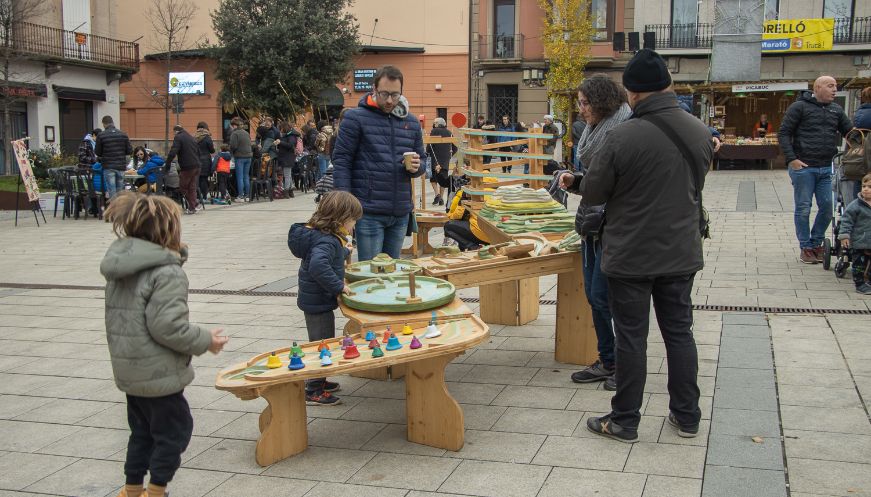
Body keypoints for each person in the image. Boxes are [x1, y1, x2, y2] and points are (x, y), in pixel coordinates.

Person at [563, 49, 713, 443]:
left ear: (632, 93)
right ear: (668, 86)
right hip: (681, 250)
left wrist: (578, 182)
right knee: (680, 332)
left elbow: (595, 191)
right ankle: (687, 415)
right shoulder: (699, 131)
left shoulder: (621, 135)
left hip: (631, 254)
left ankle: (625, 420)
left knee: (631, 336)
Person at [100, 192, 228, 497]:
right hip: (158, 375)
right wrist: (206, 340)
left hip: (131, 372)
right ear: (168, 231)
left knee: (141, 433)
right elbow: (167, 327)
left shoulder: (121, 266)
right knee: (175, 432)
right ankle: (157, 491)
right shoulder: (166, 271)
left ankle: (132, 491)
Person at [562, 74, 633, 392]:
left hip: (614, 228)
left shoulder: (624, 130)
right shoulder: (592, 132)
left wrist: (583, 182)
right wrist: (576, 181)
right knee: (594, 297)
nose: (581, 110)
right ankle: (607, 360)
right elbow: (595, 179)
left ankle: (621, 364)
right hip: (590, 223)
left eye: (585, 103)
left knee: (608, 299)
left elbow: (616, 184)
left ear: (603, 102)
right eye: (579, 103)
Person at [332, 65, 426, 261]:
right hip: (368, 211)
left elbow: (423, 161)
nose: (390, 100)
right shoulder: (355, 118)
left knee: (392, 274)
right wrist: (346, 207)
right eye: (384, 94)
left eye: (395, 94)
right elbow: (342, 160)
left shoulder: (412, 122)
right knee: (371, 275)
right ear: (374, 89)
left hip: (400, 212)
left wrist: (417, 167)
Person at [287, 191, 362, 405]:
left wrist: (344, 252)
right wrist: (339, 286)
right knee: (322, 343)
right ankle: (313, 388)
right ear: (341, 219)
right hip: (318, 302)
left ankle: (318, 380)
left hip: (314, 299)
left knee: (322, 341)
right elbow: (319, 266)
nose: (353, 226)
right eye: (353, 221)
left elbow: (324, 257)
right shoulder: (327, 241)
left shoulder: (321, 236)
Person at [778, 76, 853, 264]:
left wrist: (861, 143)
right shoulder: (799, 107)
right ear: (817, 87)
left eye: (835, 86)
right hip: (803, 167)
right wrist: (792, 159)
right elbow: (784, 133)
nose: (835, 90)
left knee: (828, 207)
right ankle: (806, 247)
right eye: (830, 86)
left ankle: (816, 242)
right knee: (803, 208)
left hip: (826, 167)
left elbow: (850, 133)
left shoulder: (836, 110)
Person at [838, 173, 871, 294]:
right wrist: (844, 235)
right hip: (859, 241)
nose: (866, 189)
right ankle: (860, 284)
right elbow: (846, 221)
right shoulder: (855, 205)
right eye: (864, 186)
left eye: (870, 187)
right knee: (859, 265)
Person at [164, 125, 201, 214]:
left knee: (183, 187)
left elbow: (173, 151)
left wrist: (167, 163)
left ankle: (194, 204)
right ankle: (193, 206)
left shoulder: (178, 137)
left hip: (187, 166)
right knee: (192, 187)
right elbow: (198, 151)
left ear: (176, 131)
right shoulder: (190, 137)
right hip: (196, 165)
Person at [95, 115, 132, 199]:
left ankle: (114, 210)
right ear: (112, 122)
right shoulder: (123, 134)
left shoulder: (101, 135)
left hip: (109, 167)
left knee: (112, 191)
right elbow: (129, 151)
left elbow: (98, 152)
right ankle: (121, 209)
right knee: (120, 191)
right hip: (121, 166)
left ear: (104, 124)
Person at [428, 117, 456, 206]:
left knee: (433, 178)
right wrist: (450, 154)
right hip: (445, 159)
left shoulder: (434, 131)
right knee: (443, 179)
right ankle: (441, 198)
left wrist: (427, 152)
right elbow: (455, 147)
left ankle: (437, 194)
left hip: (434, 157)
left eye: (434, 123)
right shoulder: (449, 132)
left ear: (438, 124)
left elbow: (429, 145)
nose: (434, 124)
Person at [228, 117, 252, 202]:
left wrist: (231, 153)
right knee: (246, 176)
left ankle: (240, 196)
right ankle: (247, 196)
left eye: (231, 126)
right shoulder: (246, 133)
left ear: (234, 126)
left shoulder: (235, 134)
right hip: (248, 157)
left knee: (240, 177)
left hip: (240, 157)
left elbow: (233, 146)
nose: (230, 128)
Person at [275, 122, 301, 198]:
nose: (280, 130)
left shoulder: (291, 136)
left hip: (288, 157)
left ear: (284, 128)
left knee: (287, 175)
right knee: (288, 175)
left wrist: (281, 142)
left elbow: (290, 145)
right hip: (286, 157)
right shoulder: (288, 135)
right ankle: (290, 191)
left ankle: (286, 191)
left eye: (281, 128)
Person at [195, 122, 215, 203]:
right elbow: (212, 150)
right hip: (206, 161)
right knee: (204, 179)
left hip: (196, 160)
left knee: (197, 179)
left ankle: (197, 196)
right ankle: (204, 197)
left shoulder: (194, 137)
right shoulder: (207, 137)